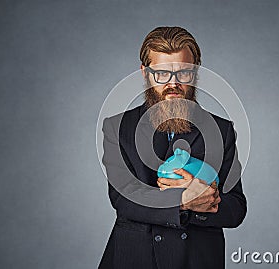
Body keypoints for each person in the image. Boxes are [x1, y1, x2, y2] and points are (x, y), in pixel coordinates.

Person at [98, 26, 247, 269]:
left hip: (196, 260)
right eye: (162, 74)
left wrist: (205, 198)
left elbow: (236, 209)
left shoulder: (221, 130)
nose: (173, 84)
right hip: (135, 258)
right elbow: (124, 198)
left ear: (196, 73)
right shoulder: (118, 127)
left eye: (183, 74)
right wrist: (183, 201)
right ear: (145, 74)